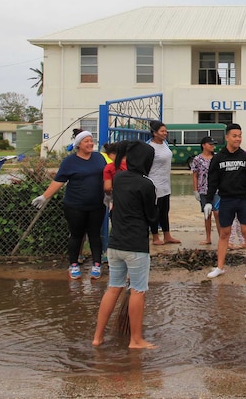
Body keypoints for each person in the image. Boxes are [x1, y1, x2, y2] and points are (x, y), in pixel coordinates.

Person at [92, 140, 158, 349]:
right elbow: (152, 217)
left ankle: (97, 337)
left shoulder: (118, 178)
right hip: (136, 245)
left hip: (115, 243)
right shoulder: (146, 184)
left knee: (113, 288)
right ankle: (136, 340)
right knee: (138, 291)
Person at [32, 130, 106, 280]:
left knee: (95, 235)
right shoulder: (69, 162)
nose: (90, 143)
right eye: (87, 141)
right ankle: (73, 265)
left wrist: (111, 195)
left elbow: (108, 176)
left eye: (91, 141)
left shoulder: (99, 158)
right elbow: (59, 181)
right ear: (78, 145)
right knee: (76, 235)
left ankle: (96, 265)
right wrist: (45, 196)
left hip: (97, 205)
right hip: (75, 206)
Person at [203, 123, 246, 280]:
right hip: (226, 200)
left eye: (240, 135)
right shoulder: (218, 158)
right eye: (235, 136)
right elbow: (212, 181)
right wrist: (208, 201)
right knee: (224, 234)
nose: (238, 139)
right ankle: (220, 267)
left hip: (244, 201)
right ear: (227, 137)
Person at [147, 121, 181, 246]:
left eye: (166, 131)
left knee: (165, 211)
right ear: (155, 133)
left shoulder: (165, 144)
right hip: (154, 184)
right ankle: (155, 237)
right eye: (162, 131)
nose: (165, 133)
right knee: (155, 212)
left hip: (166, 183)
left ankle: (167, 235)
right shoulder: (149, 147)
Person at [191, 136, 219, 245]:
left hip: (217, 189)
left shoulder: (217, 157)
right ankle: (208, 238)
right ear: (203, 145)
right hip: (203, 189)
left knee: (217, 213)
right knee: (207, 214)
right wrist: (195, 190)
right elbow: (195, 175)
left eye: (213, 144)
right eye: (210, 144)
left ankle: (222, 237)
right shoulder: (197, 159)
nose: (212, 146)